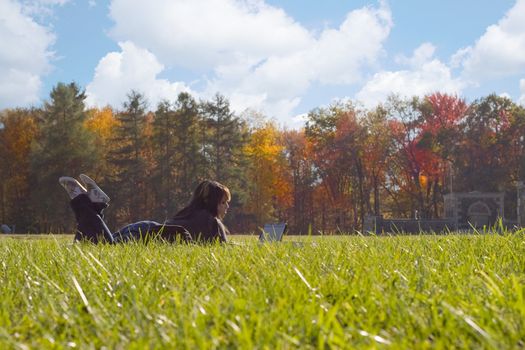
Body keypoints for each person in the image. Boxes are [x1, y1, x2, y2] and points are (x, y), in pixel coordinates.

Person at [59, 174, 230, 244]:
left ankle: (97, 204)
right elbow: (222, 250)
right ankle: (83, 200)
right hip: (150, 236)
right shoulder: (211, 222)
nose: (227, 207)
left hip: (146, 227)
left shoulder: (190, 213)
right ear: (210, 202)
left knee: (100, 241)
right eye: (223, 202)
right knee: (103, 245)